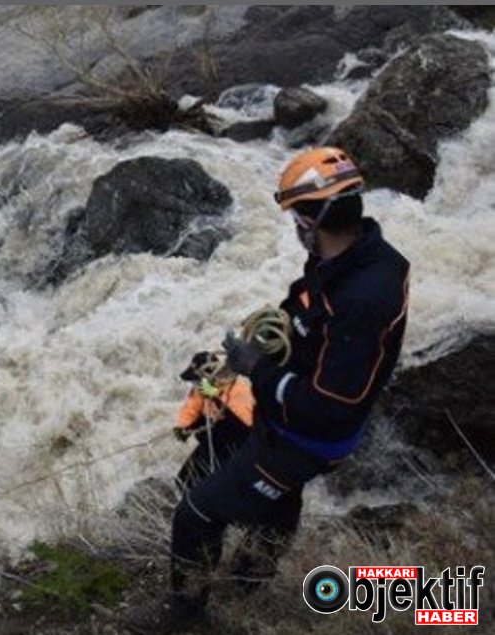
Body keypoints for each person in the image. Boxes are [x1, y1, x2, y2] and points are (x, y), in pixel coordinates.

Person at [126, 147, 410, 633]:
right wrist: (278, 338)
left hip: (306, 437)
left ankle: (186, 613)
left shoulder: (362, 300)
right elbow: (310, 315)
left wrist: (256, 368)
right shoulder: (364, 257)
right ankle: (252, 577)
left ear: (314, 216)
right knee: (281, 499)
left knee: (196, 514)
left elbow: (327, 404)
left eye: (298, 214)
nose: (296, 225)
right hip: (301, 423)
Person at [172, 351, 254, 491]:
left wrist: (216, 396)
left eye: (197, 380)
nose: (195, 384)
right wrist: (182, 427)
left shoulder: (240, 390)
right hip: (213, 438)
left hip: (235, 446)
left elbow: (244, 428)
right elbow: (192, 407)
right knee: (183, 481)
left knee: (208, 487)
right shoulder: (203, 387)